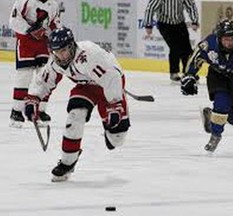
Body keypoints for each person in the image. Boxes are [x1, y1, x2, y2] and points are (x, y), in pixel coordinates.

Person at [24, 27, 131, 182]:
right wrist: (34, 98)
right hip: (86, 87)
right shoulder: (56, 61)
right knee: (75, 117)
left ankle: (114, 127)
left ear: (72, 46)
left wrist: (115, 104)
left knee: (117, 139)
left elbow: (112, 77)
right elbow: (44, 82)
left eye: (63, 50)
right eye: (56, 52)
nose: (60, 55)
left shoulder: (88, 56)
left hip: (108, 86)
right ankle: (67, 162)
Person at [180, 19, 233, 152]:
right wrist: (189, 76)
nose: (229, 42)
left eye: (232, 39)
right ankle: (215, 135)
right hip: (217, 76)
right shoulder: (209, 44)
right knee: (222, 105)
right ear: (219, 38)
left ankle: (211, 117)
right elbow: (195, 59)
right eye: (225, 39)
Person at [9, 0, 62, 128]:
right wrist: (30, 29)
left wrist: (56, 35)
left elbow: (55, 24)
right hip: (26, 43)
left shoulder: (53, 4)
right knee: (24, 76)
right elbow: (14, 20)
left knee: (45, 76)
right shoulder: (24, 1)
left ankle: (40, 110)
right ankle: (16, 111)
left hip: (44, 44)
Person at [143, 0, 199, 82]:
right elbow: (150, 8)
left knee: (187, 48)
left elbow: (191, 6)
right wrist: (148, 25)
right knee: (175, 47)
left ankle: (189, 72)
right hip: (165, 24)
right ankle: (174, 72)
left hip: (179, 23)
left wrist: (194, 20)